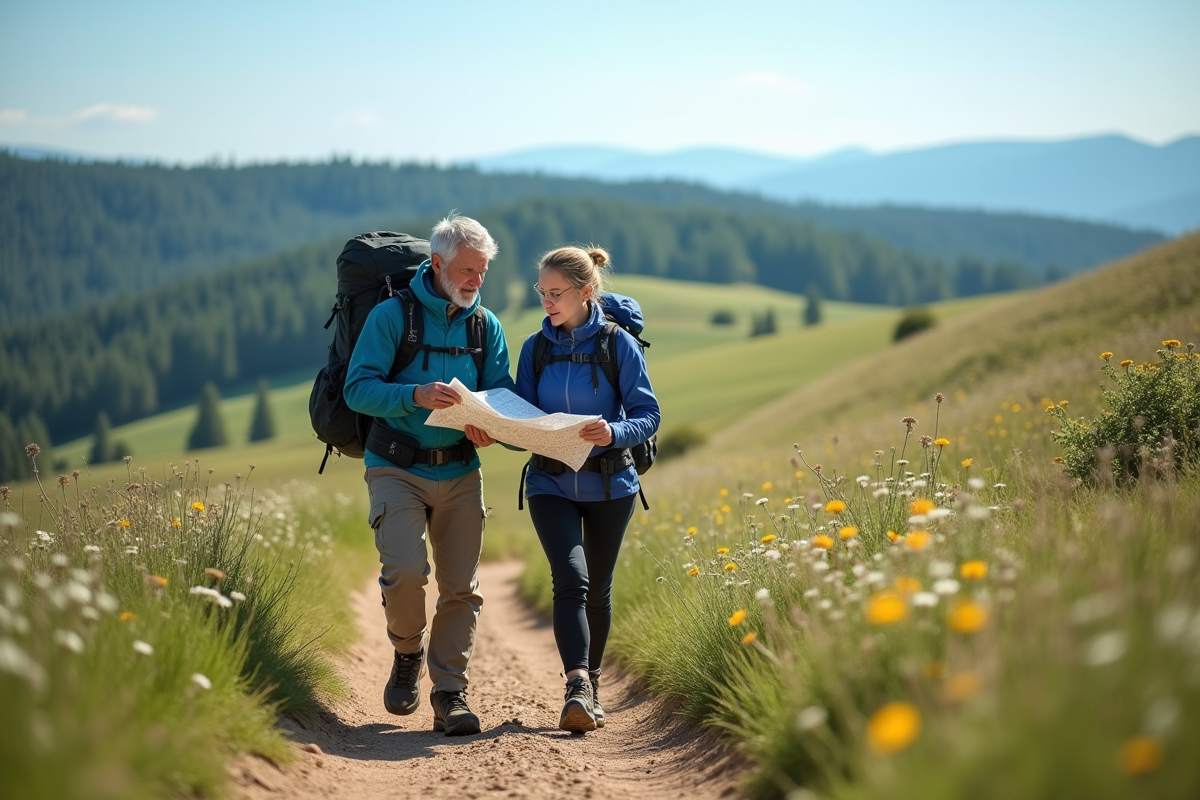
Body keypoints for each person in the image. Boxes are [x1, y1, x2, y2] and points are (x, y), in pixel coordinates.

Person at [344, 213, 513, 737]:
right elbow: (358, 389)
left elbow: (501, 397)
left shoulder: (487, 326)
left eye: (482, 272)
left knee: (461, 587)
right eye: (466, 271)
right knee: (408, 572)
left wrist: (492, 427)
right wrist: (413, 395)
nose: (475, 282)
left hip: (462, 469)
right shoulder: (392, 317)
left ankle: (450, 693)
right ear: (437, 264)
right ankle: (405, 651)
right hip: (395, 465)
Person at [514, 245, 661, 733]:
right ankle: (576, 685)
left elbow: (649, 415)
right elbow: (523, 421)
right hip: (549, 482)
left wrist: (613, 433)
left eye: (556, 293)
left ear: (587, 291)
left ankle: (592, 686)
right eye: (543, 292)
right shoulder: (535, 348)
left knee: (597, 590)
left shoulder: (618, 345)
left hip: (610, 483)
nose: (547, 302)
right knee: (571, 579)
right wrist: (498, 426)